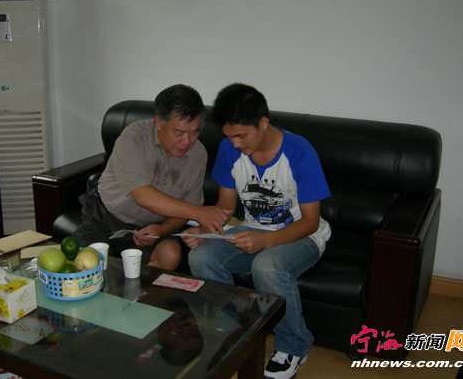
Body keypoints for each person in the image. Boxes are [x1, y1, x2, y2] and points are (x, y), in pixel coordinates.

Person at [184, 83, 331, 379]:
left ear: (263, 123)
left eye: (241, 136)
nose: (235, 144)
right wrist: (204, 228)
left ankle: (293, 346)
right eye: (229, 136)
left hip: (302, 234)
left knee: (267, 265)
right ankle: (234, 330)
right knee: (201, 257)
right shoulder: (229, 149)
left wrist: (265, 241)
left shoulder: (299, 152)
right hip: (252, 229)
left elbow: (310, 222)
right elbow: (226, 206)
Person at [73, 84, 231, 271]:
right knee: (89, 266)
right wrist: (199, 213)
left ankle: (142, 289)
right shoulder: (134, 137)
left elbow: (184, 211)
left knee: (170, 252)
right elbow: (142, 195)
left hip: (152, 225)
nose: (187, 141)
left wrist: (162, 229)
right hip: (105, 216)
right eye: (179, 133)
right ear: (158, 122)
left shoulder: (198, 155)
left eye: (195, 132)